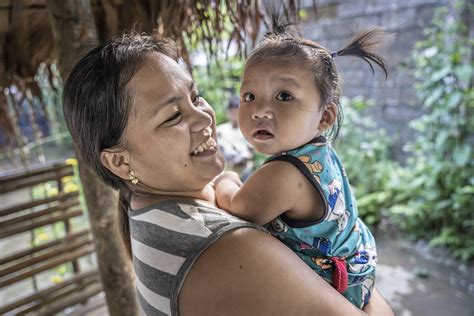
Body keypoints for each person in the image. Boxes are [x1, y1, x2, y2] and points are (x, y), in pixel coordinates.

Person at [63, 32, 393, 315]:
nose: (205, 118)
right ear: (120, 162)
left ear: (326, 116)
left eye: (195, 97)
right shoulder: (226, 246)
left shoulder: (143, 207)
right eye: (174, 115)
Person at [215, 26, 390, 308]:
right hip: (359, 278)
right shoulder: (320, 153)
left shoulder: (285, 173)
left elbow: (237, 205)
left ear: (325, 117)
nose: (259, 110)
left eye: (283, 96)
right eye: (249, 96)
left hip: (332, 293)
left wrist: (227, 178)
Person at [216, 96, 253, 180]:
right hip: (226, 171)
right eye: (232, 112)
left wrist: (240, 159)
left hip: (244, 171)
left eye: (236, 112)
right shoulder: (221, 130)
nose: (234, 115)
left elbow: (250, 152)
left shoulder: (247, 129)